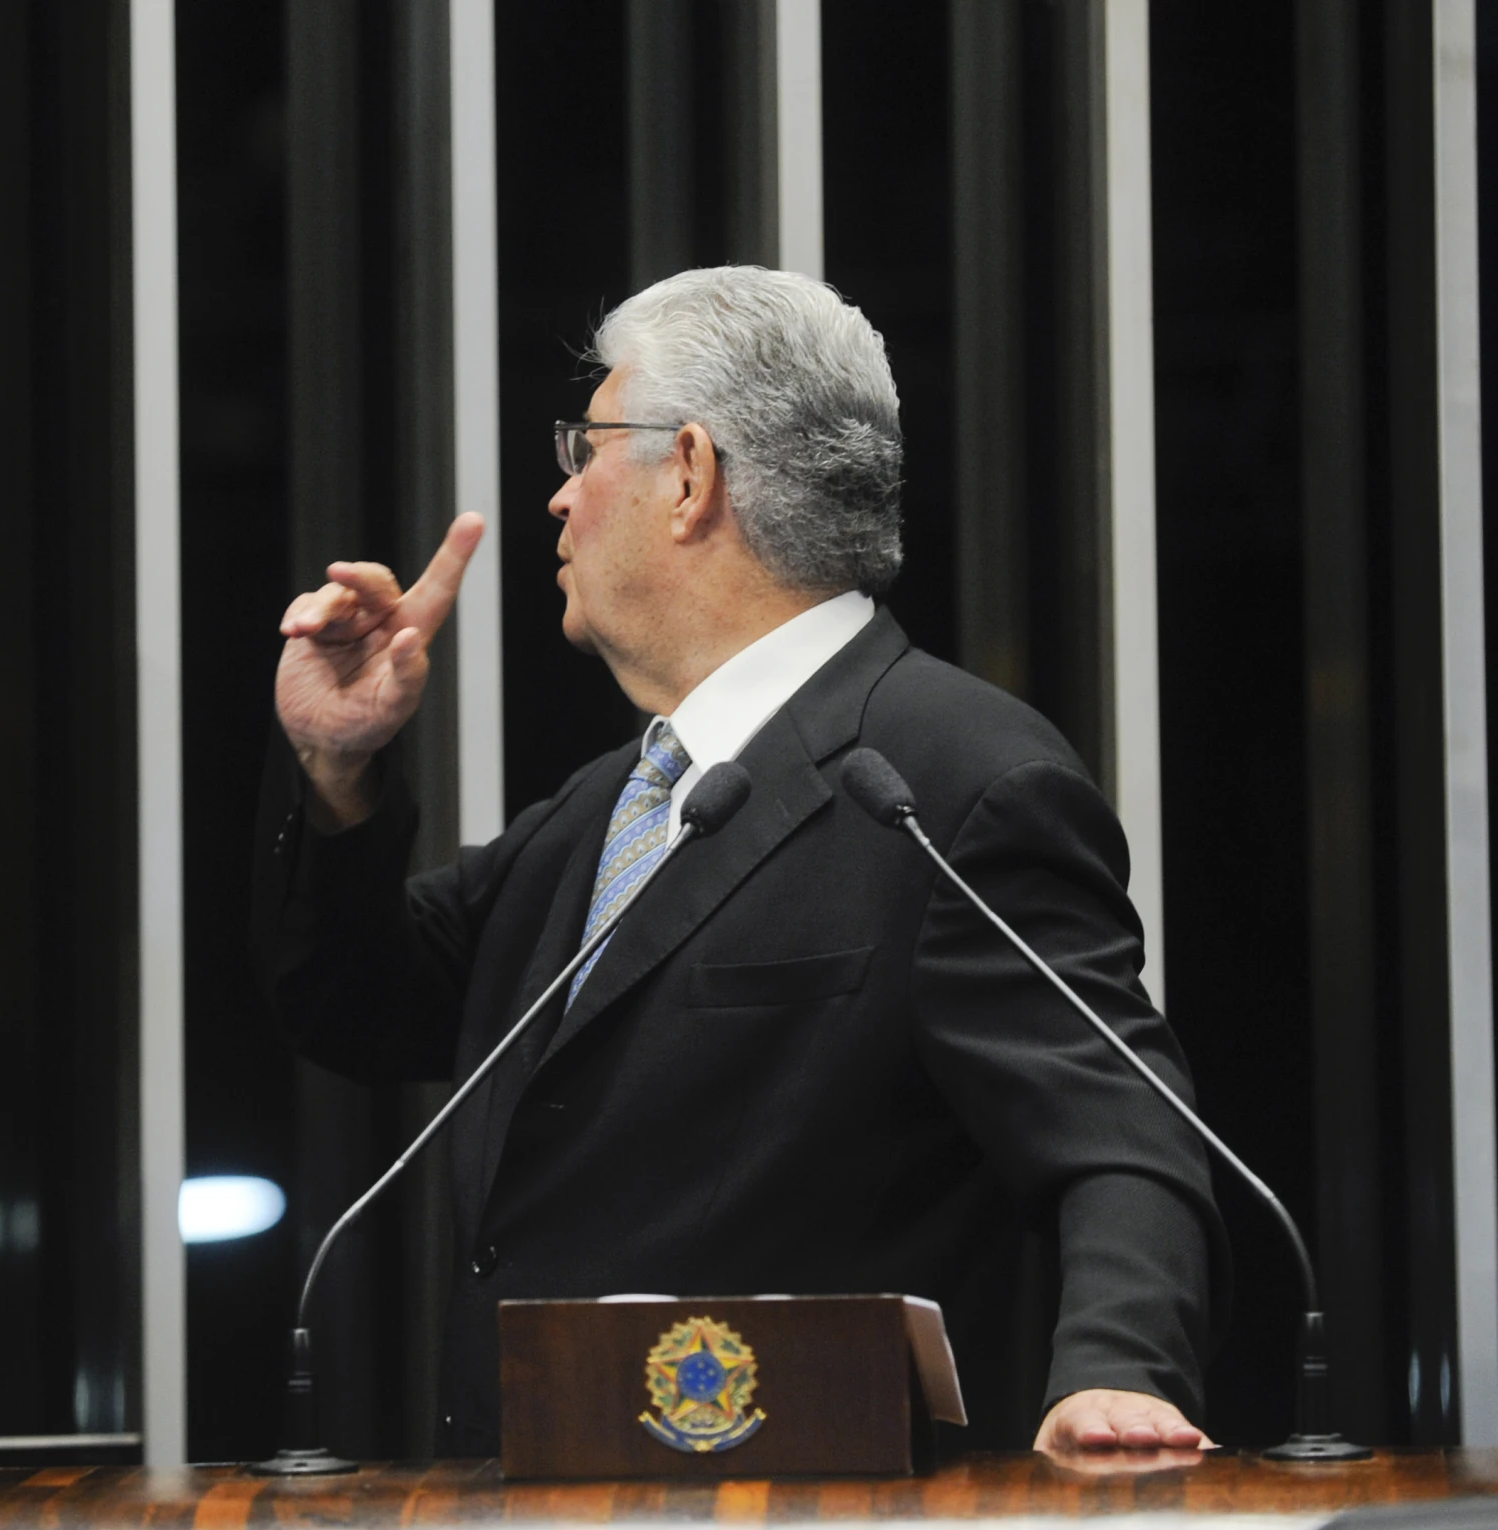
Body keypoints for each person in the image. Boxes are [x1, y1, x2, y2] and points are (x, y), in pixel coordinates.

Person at [254, 266, 1225, 1457]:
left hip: (811, 1515)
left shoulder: (953, 776)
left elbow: (1118, 1132)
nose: (559, 499)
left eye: (586, 447)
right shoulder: (614, 802)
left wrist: (1113, 1374)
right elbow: (364, 1009)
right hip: (534, 1508)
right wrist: (339, 775)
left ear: (690, 475)